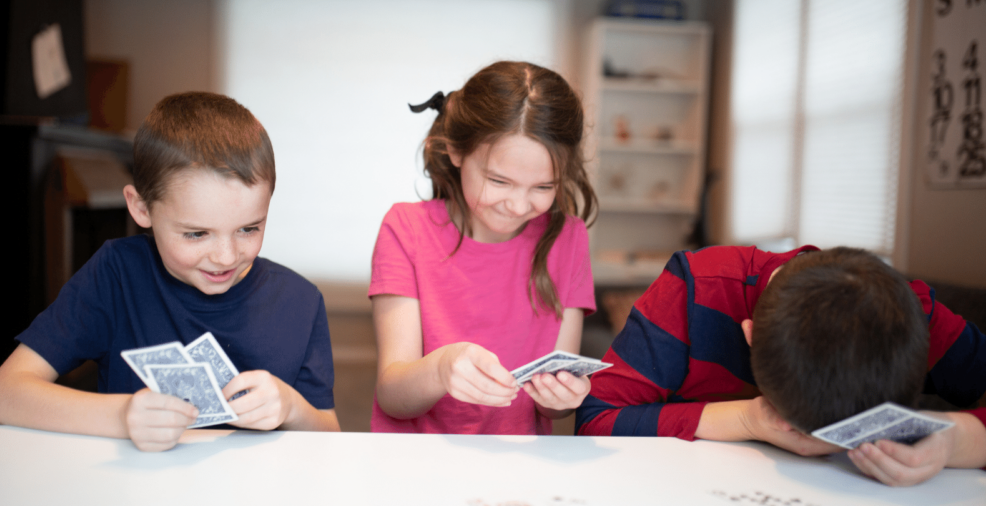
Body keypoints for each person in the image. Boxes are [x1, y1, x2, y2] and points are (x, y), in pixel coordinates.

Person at [0, 92, 340, 451]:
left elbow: (331, 437)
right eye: (197, 233)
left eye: (249, 228)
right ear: (141, 208)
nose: (226, 256)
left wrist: (292, 408)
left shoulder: (301, 302)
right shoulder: (118, 274)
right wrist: (122, 416)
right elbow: (0, 397)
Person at [577, 245, 986, 486]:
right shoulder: (694, 289)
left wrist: (955, 440)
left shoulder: (914, 315)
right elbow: (594, 419)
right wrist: (747, 420)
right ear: (750, 335)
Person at [370, 61, 597, 434]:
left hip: (518, 469)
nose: (520, 205)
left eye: (543, 187)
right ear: (456, 152)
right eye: (499, 180)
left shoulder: (568, 239)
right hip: (415, 464)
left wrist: (565, 396)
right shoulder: (406, 229)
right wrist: (442, 368)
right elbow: (393, 396)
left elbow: (554, 411)